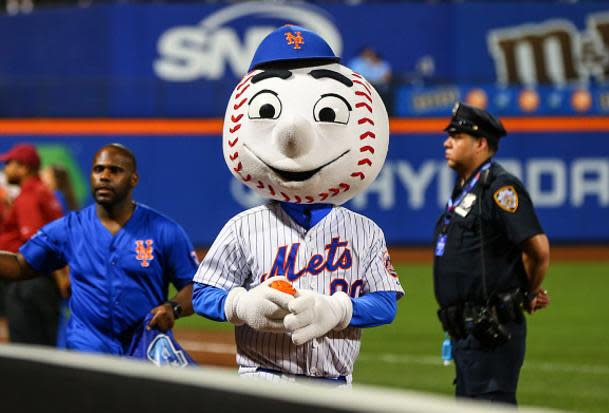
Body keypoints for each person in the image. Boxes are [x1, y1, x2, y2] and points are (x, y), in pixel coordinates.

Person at [192, 25, 404, 386]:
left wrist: (338, 310)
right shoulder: (244, 226)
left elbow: (386, 303)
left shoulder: (365, 231)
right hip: (261, 379)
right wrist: (242, 305)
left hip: (333, 383)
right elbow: (203, 293)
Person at [0, 143, 198, 355]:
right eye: (98, 169)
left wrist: (173, 308)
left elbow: (195, 286)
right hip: (86, 350)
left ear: (133, 180)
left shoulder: (164, 231)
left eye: (115, 170)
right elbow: (21, 265)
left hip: (144, 349)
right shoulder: (70, 228)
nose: (104, 176)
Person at [433, 102, 550, 405]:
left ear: (481, 143)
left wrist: (528, 291)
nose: (447, 142)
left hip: (491, 330)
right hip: (466, 333)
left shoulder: (499, 187)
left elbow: (538, 250)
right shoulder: (464, 190)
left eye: (457, 136)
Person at [0, 143, 64, 346]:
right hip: (43, 284)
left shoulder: (28, 196)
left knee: (27, 354)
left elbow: (37, 242)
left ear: (24, 167)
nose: (6, 169)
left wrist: (60, 278)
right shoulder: (44, 192)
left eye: (10, 164)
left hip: (26, 282)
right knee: (44, 350)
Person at [40, 164, 79, 347]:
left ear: (55, 180)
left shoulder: (54, 198)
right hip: (69, 263)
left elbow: (57, 240)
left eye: (45, 174)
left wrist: (62, 274)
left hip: (61, 265)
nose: (41, 176)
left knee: (59, 317)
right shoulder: (64, 200)